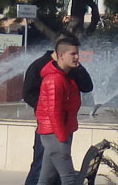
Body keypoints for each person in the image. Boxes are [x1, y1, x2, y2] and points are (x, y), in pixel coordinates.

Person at [23, 36, 93, 185]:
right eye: (73, 54)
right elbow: (53, 111)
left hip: (59, 130)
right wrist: (61, 137)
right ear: (60, 54)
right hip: (54, 132)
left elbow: (87, 87)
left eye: (77, 53)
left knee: (46, 177)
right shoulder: (54, 78)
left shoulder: (67, 72)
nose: (77, 57)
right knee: (67, 177)